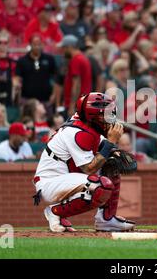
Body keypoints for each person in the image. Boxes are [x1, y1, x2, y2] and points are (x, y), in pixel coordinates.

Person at [33, 92, 135, 233]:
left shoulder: (87, 125)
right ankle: (55, 212)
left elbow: (101, 147)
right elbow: (89, 168)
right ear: (93, 116)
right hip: (49, 183)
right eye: (104, 115)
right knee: (100, 186)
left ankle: (106, 219)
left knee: (112, 164)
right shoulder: (77, 132)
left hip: (64, 179)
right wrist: (111, 142)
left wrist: (113, 150)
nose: (109, 119)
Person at [14, 34, 57, 107]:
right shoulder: (22, 60)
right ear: (30, 44)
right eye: (34, 44)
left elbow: (56, 79)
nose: (37, 47)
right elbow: (17, 79)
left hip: (46, 99)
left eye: (39, 44)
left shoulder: (49, 59)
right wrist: (18, 94)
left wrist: (54, 94)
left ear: (42, 45)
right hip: (27, 99)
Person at [58, 35, 92, 116]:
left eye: (64, 48)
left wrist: (72, 106)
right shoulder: (83, 58)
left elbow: (76, 85)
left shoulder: (76, 60)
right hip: (82, 103)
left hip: (77, 105)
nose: (62, 51)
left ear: (69, 47)